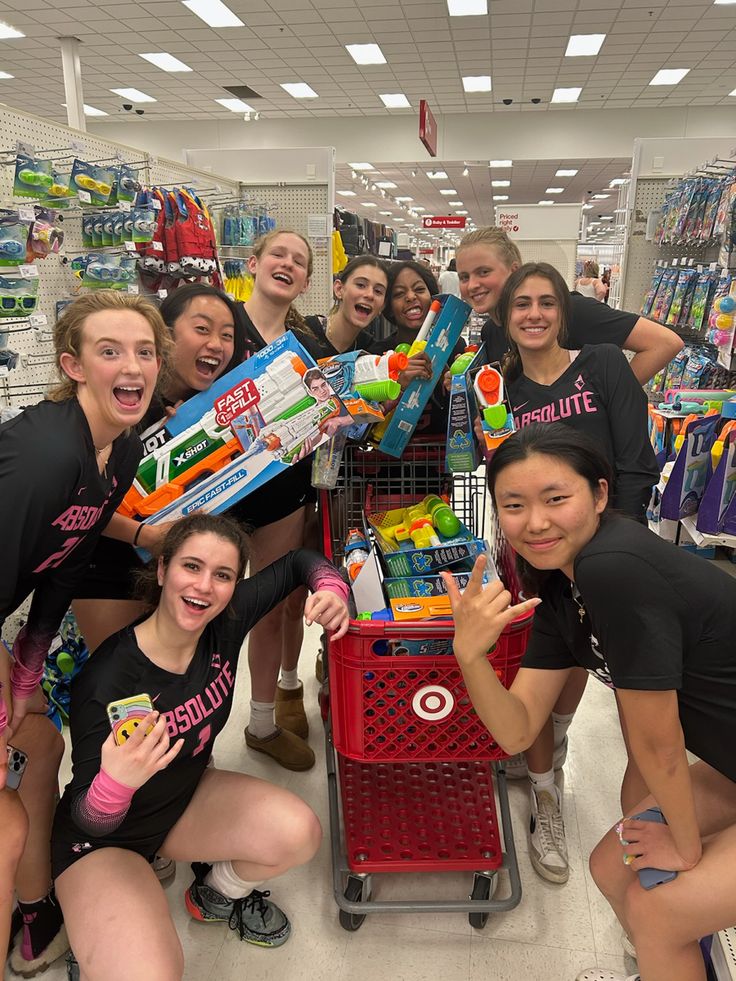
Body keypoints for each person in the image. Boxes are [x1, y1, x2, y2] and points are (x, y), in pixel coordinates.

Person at [444, 422, 736, 981]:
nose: (536, 522)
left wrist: (687, 848)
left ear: (599, 494)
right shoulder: (562, 588)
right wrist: (470, 656)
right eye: (514, 505)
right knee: (611, 864)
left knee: (660, 911)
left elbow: (658, 743)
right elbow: (518, 731)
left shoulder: (614, 567)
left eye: (557, 499)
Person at [52, 514, 348, 979]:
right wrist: (115, 785)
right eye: (191, 566)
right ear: (163, 567)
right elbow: (86, 817)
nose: (205, 587)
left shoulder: (225, 622)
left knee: (299, 832)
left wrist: (332, 587)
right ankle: (94, 934)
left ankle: (213, 893)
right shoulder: (108, 678)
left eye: (223, 575)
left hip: (181, 800)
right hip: (104, 843)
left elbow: (296, 563)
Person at [0, 291, 169, 974]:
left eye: (145, 351)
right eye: (109, 351)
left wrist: (26, 674)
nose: (132, 366)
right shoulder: (46, 455)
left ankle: (34, 903)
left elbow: (62, 573)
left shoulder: (118, 453)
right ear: (71, 365)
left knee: (38, 737)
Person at [492, 262, 659, 885]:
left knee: (610, 676)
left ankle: (567, 757)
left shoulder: (604, 364)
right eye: (521, 305)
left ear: (563, 311)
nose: (533, 314)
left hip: (610, 552)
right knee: (544, 659)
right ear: (506, 319)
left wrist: (621, 546)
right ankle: (544, 791)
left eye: (545, 302)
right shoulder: (500, 390)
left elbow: (636, 462)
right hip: (538, 559)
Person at [72, 283, 245, 656]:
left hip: (170, 572)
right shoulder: (123, 401)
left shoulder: (203, 410)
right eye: (202, 329)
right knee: (123, 694)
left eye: (227, 336)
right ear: (165, 333)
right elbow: (73, 503)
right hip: (107, 570)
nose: (216, 343)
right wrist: (143, 536)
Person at [231, 229, 325, 772]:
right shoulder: (221, 322)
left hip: (283, 494)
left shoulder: (305, 343)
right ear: (254, 262)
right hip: (209, 496)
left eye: (299, 261)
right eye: (278, 255)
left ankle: (261, 722)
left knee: (268, 609)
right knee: (199, 607)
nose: (287, 265)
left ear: (307, 281)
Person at [455, 227, 683, 383]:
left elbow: (664, 343)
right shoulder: (491, 332)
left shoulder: (568, 311)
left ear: (514, 271)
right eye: (464, 277)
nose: (473, 284)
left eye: (484, 272)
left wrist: (610, 400)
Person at [302, 256, 388, 357]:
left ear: (382, 306)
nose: (370, 295)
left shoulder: (371, 353)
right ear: (339, 289)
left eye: (378, 291)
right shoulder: (303, 331)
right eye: (361, 285)